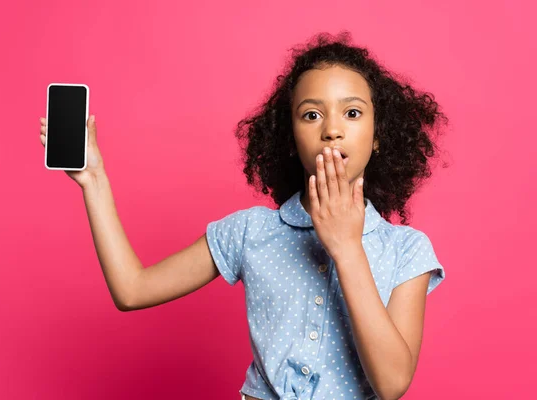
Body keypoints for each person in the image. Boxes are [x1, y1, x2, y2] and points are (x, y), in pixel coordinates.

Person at [39, 31, 449, 400]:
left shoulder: (407, 250)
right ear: (290, 138)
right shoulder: (251, 231)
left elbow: (393, 383)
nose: (332, 130)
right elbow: (132, 289)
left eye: (353, 113)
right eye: (311, 114)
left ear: (379, 137)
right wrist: (94, 180)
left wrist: (346, 247)